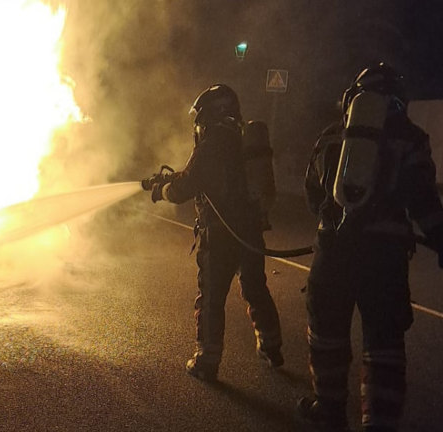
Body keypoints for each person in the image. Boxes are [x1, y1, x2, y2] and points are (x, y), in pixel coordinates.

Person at [299, 63, 443, 432]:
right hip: (384, 261)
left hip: (332, 255)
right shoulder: (410, 138)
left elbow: (313, 194)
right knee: (383, 348)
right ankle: (377, 423)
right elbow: (425, 203)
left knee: (326, 337)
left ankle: (330, 411)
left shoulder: (332, 136)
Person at [142, 84, 283, 382]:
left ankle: (206, 360)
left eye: (201, 117)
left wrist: (161, 191)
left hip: (220, 234)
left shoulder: (211, 143)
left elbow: (185, 188)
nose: (199, 123)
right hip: (251, 232)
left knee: (211, 298)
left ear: (213, 112)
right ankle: (271, 345)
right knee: (255, 287)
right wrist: (169, 177)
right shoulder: (241, 140)